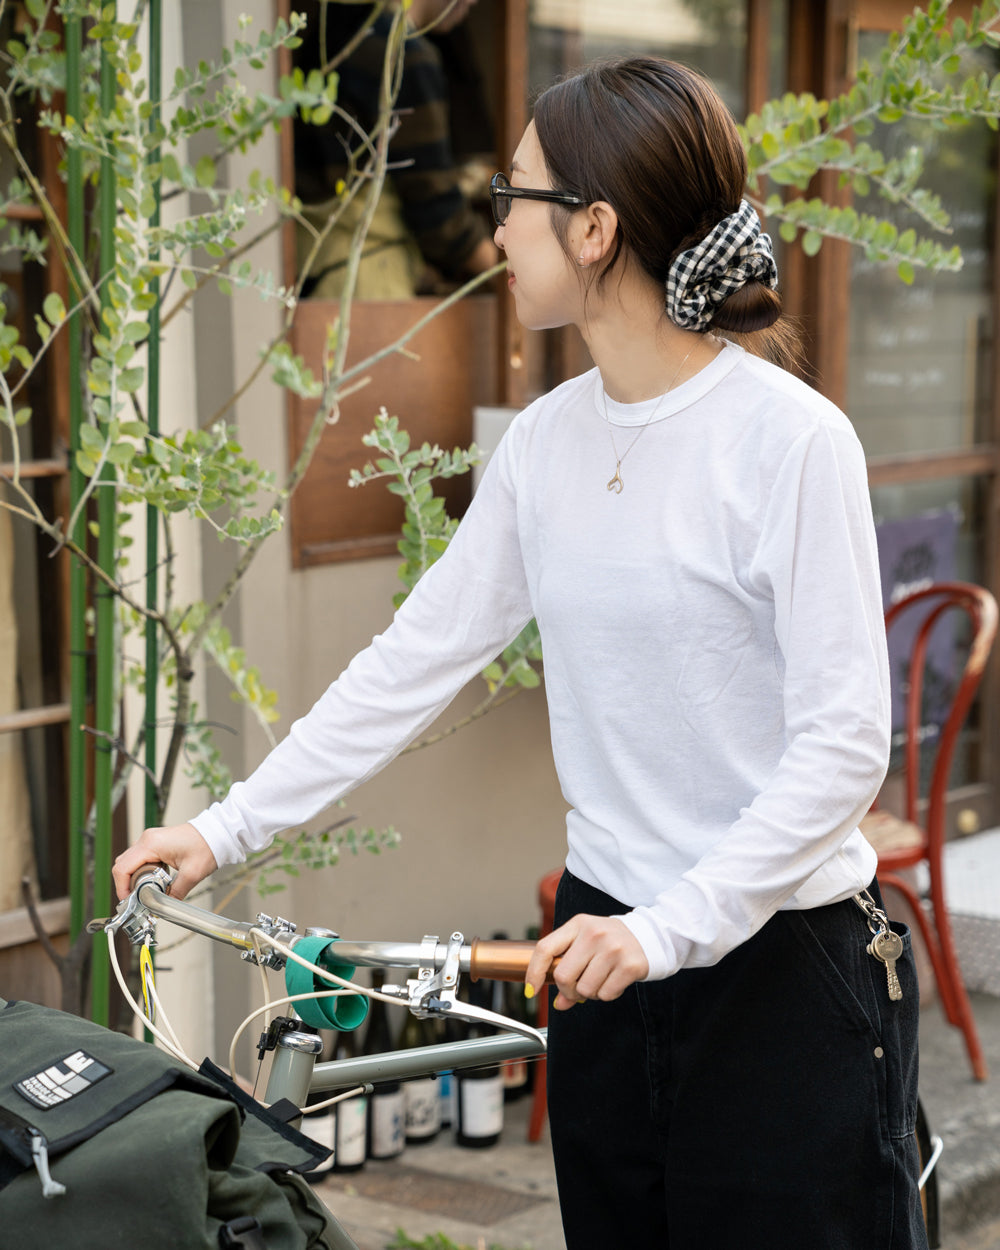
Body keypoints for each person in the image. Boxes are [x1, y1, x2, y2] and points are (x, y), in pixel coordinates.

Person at [114, 56, 928, 1250]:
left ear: (594, 230)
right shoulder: (546, 445)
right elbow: (415, 658)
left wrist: (669, 928)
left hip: (777, 969)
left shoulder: (790, 442)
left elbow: (847, 744)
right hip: (602, 958)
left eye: (517, 193)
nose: (493, 223)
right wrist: (224, 828)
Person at [293, 0, 497, 298]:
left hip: (308, 266)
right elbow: (435, 209)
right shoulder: (405, 55)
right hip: (367, 280)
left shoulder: (337, 31)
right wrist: (498, 267)